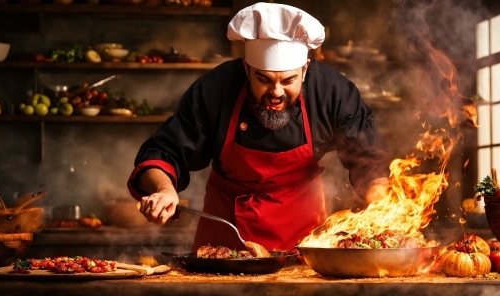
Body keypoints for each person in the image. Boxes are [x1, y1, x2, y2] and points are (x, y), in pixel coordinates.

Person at [127, 2, 390, 252]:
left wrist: (384, 215)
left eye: (288, 80)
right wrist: (164, 190)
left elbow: (369, 163)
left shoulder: (334, 93)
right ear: (246, 67)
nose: (276, 93)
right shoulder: (216, 89)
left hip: (306, 239)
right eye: (263, 79)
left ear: (305, 69)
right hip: (225, 235)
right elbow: (162, 152)